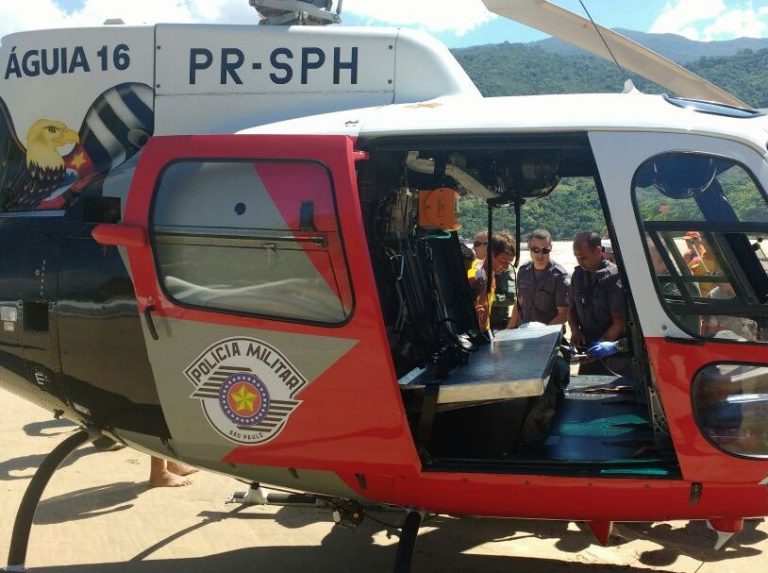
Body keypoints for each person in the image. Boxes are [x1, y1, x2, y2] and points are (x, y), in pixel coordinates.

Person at [569, 231, 628, 375]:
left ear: (598, 251)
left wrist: (600, 347)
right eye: (577, 257)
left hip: (612, 353)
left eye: (583, 257)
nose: (580, 262)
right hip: (587, 349)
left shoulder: (613, 277)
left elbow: (619, 322)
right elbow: (571, 307)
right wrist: (575, 330)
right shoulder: (578, 275)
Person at [508, 228, 569, 328]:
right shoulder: (523, 271)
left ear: (551, 248)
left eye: (545, 250)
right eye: (535, 249)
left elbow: (564, 314)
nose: (540, 254)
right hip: (524, 331)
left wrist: (542, 333)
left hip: (548, 335)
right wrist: (509, 328)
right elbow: (519, 302)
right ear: (529, 246)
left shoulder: (559, 277)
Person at [470, 232, 516, 331]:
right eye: (503, 261)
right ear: (490, 254)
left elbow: (510, 298)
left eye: (509, 262)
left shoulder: (493, 275)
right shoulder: (473, 271)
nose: (506, 267)